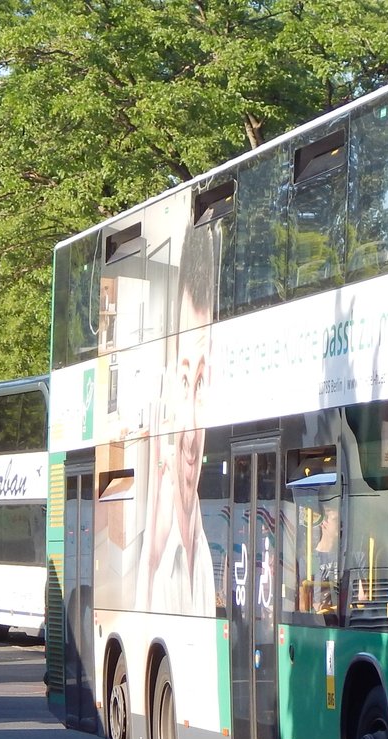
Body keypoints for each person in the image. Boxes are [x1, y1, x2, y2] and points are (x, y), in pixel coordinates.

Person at [135, 224, 217, 617]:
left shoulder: (204, 553)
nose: (189, 428)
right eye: (185, 379)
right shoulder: (155, 549)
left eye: (200, 383)